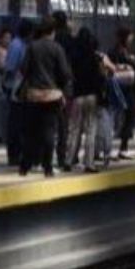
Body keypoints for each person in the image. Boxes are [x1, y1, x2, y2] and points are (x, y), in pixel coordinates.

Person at [19, 17, 73, 177]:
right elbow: (65, 73)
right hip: (52, 96)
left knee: (31, 132)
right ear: (52, 31)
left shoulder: (32, 47)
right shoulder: (57, 49)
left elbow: (23, 69)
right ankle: (47, 167)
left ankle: (25, 165)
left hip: (34, 95)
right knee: (49, 131)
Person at [67, 27, 106, 172]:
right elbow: (102, 77)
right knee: (90, 129)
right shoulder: (96, 58)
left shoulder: (74, 58)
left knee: (74, 129)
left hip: (78, 96)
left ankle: (69, 160)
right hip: (92, 96)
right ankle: (89, 163)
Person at [2, 19, 32, 166]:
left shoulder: (20, 44)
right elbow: (10, 68)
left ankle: (18, 152)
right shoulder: (17, 45)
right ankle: (13, 154)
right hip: (15, 89)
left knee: (19, 123)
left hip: (19, 89)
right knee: (15, 123)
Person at [109, 27, 135, 160]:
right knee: (128, 117)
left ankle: (116, 148)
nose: (131, 40)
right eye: (130, 37)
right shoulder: (123, 53)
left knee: (117, 119)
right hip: (125, 89)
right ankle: (123, 148)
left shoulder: (114, 51)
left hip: (117, 88)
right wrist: (131, 62)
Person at [52, 11, 75, 171]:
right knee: (64, 124)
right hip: (65, 85)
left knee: (49, 122)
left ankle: (45, 156)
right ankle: (63, 156)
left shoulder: (53, 39)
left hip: (51, 83)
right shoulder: (69, 39)